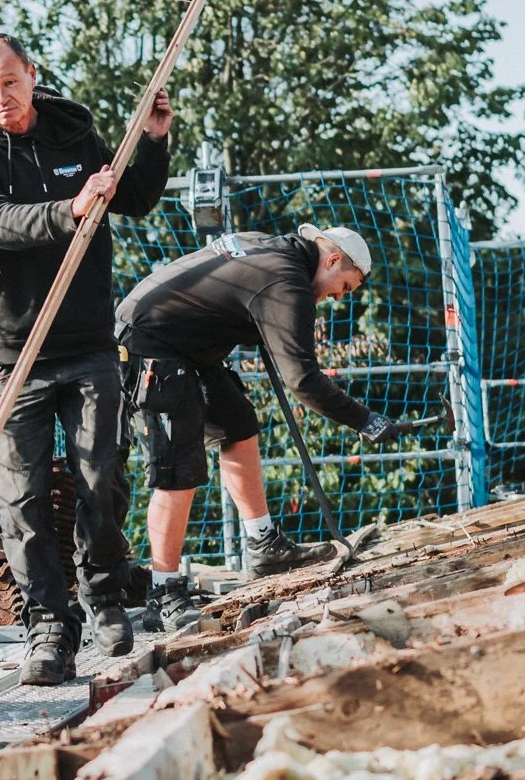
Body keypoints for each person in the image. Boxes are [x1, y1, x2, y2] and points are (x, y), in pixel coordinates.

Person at [0, 33, 172, 685]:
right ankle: (48, 624)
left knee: (104, 475)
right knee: (21, 497)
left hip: (87, 343)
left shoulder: (75, 134)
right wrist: (70, 209)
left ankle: (103, 593)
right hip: (11, 355)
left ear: (32, 75)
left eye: (9, 82)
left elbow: (133, 198)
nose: (0, 98)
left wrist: (153, 142)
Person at [114, 223, 411, 632]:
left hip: (185, 345)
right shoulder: (287, 280)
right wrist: (365, 419)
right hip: (149, 347)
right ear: (332, 259)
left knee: (238, 421)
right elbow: (303, 380)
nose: (338, 297)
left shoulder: (271, 248)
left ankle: (264, 543)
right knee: (178, 470)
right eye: (343, 286)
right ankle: (163, 592)